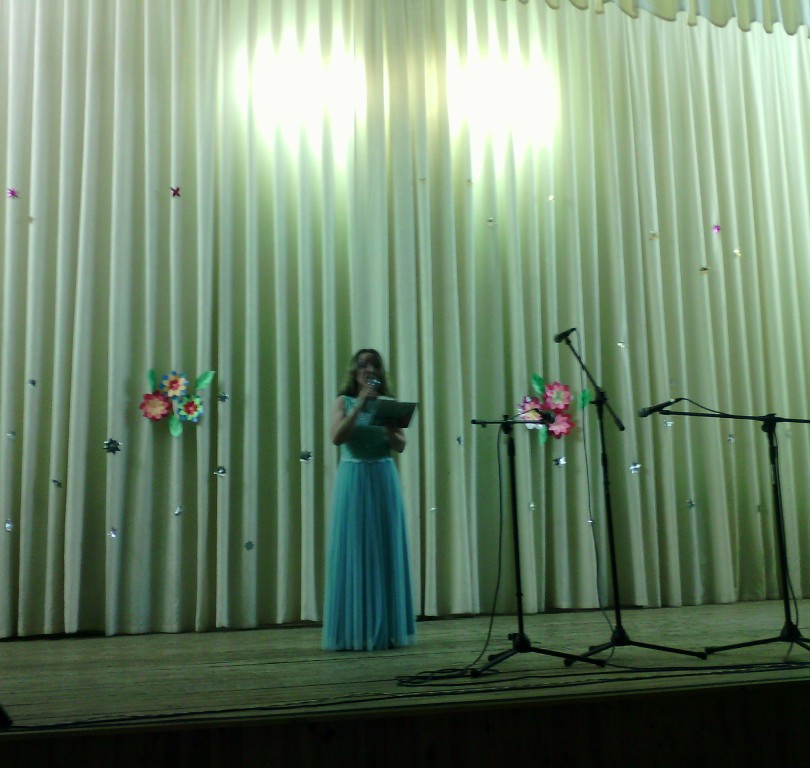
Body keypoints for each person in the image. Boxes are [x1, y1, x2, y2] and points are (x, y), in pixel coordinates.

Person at [322, 348, 416, 651]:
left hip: (383, 478)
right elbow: (337, 437)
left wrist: (391, 429)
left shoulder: (388, 403)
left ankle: (385, 629)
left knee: (384, 550)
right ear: (355, 371)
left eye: (375, 365)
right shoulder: (344, 401)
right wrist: (359, 405)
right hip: (354, 479)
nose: (370, 370)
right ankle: (352, 630)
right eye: (364, 365)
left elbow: (400, 445)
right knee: (355, 550)